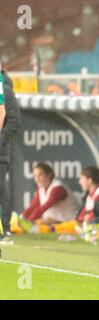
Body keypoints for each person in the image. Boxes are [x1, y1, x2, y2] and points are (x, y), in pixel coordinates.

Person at [0, 70, 21, 242]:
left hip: (1, 151)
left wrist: (0, 139)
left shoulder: (6, 91)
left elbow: (14, 121)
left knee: (0, 187)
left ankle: (5, 229)